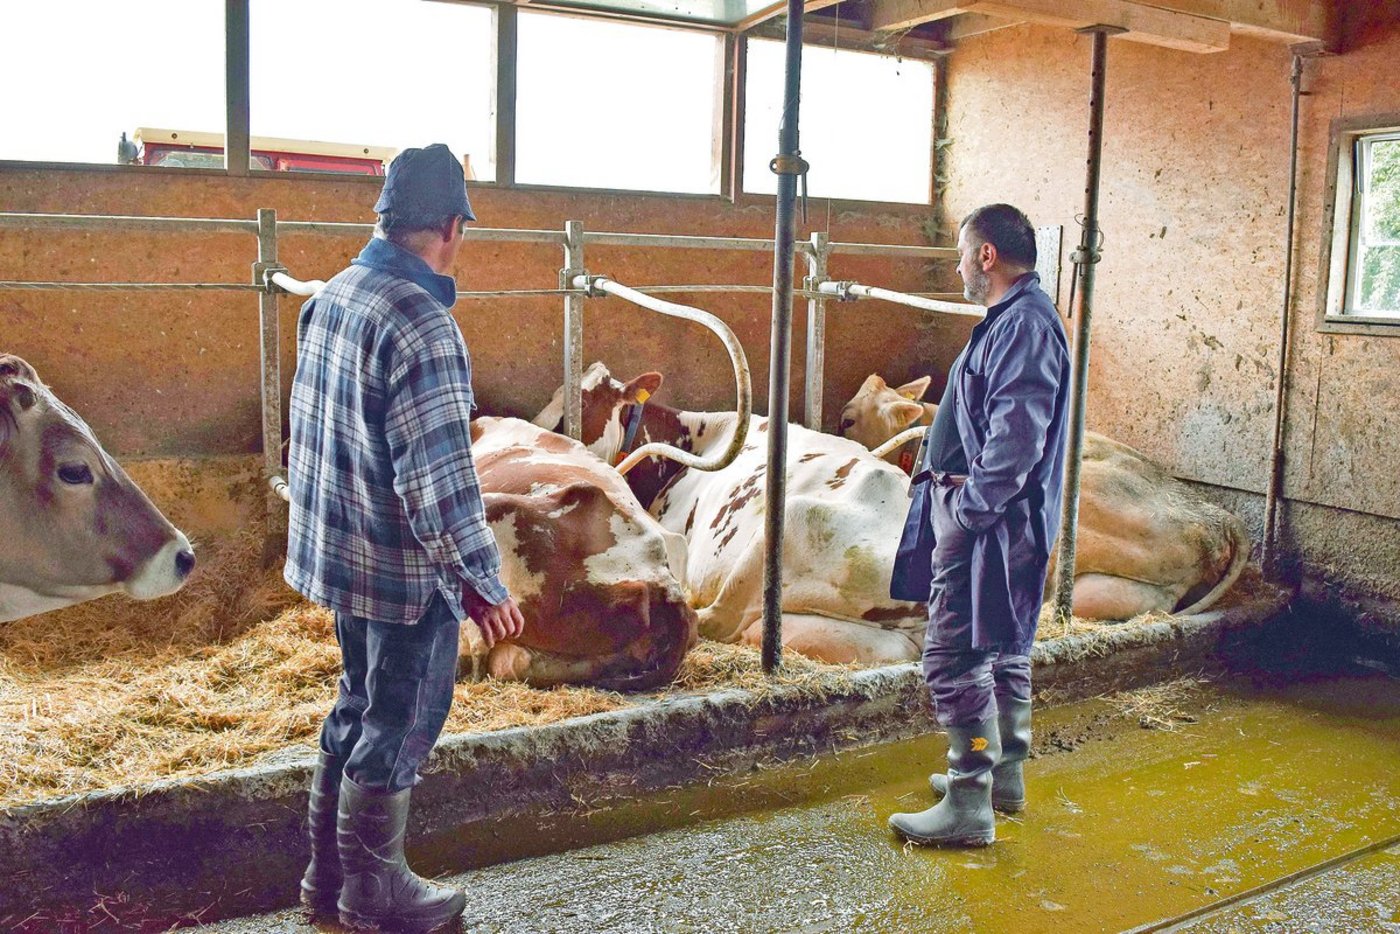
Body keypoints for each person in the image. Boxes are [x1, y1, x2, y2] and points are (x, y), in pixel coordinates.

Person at [284, 143, 525, 930]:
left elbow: (313, 435)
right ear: (452, 227)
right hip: (400, 570)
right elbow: (439, 485)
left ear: (386, 217)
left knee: (356, 701)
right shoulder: (424, 326)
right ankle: (374, 892)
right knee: (400, 721)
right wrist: (482, 582)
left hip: (342, 554)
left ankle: (326, 880)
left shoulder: (333, 296)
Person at [887, 203, 1070, 847]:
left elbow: (1017, 435)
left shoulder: (1023, 326)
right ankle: (1004, 774)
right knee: (1004, 647)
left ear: (986, 255)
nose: (959, 265)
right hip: (1002, 521)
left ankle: (970, 794)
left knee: (955, 658)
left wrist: (966, 512)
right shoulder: (1015, 320)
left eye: (963, 253)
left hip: (990, 523)